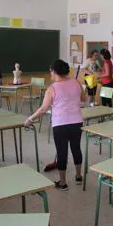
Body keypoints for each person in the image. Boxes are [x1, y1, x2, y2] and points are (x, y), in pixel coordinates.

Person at [24, 59, 85, 191]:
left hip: (60, 124)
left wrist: (30, 118)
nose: (50, 73)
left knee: (62, 152)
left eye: (50, 71)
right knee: (76, 148)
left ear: (54, 71)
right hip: (77, 122)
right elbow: (83, 99)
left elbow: (43, 109)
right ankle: (79, 176)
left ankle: (63, 183)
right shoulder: (76, 82)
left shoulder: (52, 88)